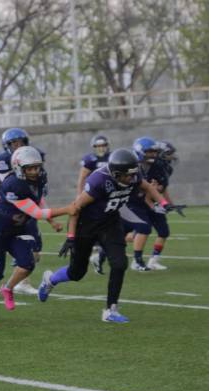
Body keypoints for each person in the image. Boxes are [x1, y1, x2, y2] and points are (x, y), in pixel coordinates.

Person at [38, 148, 176, 323]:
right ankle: (50, 280)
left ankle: (111, 310)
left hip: (110, 223)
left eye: (134, 174)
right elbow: (75, 208)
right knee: (77, 273)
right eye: (127, 175)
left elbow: (147, 186)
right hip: (85, 226)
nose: (132, 178)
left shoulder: (132, 174)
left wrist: (163, 203)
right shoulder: (99, 181)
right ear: (116, 174)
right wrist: (71, 236)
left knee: (119, 264)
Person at [0, 146, 74, 324]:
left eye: (37, 167)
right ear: (18, 168)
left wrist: (51, 221)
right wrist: (67, 209)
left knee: (28, 263)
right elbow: (36, 212)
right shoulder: (12, 185)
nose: (35, 171)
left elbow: (38, 199)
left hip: (17, 229)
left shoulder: (40, 177)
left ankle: (8, 288)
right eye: (29, 168)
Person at [0, 128, 48, 297]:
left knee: (34, 251)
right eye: (14, 143)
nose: (18, 146)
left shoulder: (33, 158)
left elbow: (35, 190)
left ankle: (22, 282)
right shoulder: (3, 159)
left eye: (21, 142)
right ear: (7, 145)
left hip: (24, 210)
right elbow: (14, 184)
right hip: (3, 208)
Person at [121, 137, 177, 271]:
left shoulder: (160, 167)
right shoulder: (132, 166)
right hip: (133, 203)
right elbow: (139, 189)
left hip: (150, 201)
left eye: (155, 152)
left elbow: (161, 189)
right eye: (150, 151)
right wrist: (156, 201)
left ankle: (153, 260)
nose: (153, 154)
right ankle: (134, 259)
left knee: (163, 231)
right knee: (142, 229)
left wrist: (166, 203)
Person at [80, 135, 111, 275]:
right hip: (93, 195)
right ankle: (92, 246)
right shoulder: (90, 160)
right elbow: (82, 178)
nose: (101, 148)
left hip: (108, 195)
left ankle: (98, 248)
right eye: (98, 146)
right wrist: (80, 195)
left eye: (103, 145)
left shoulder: (112, 158)